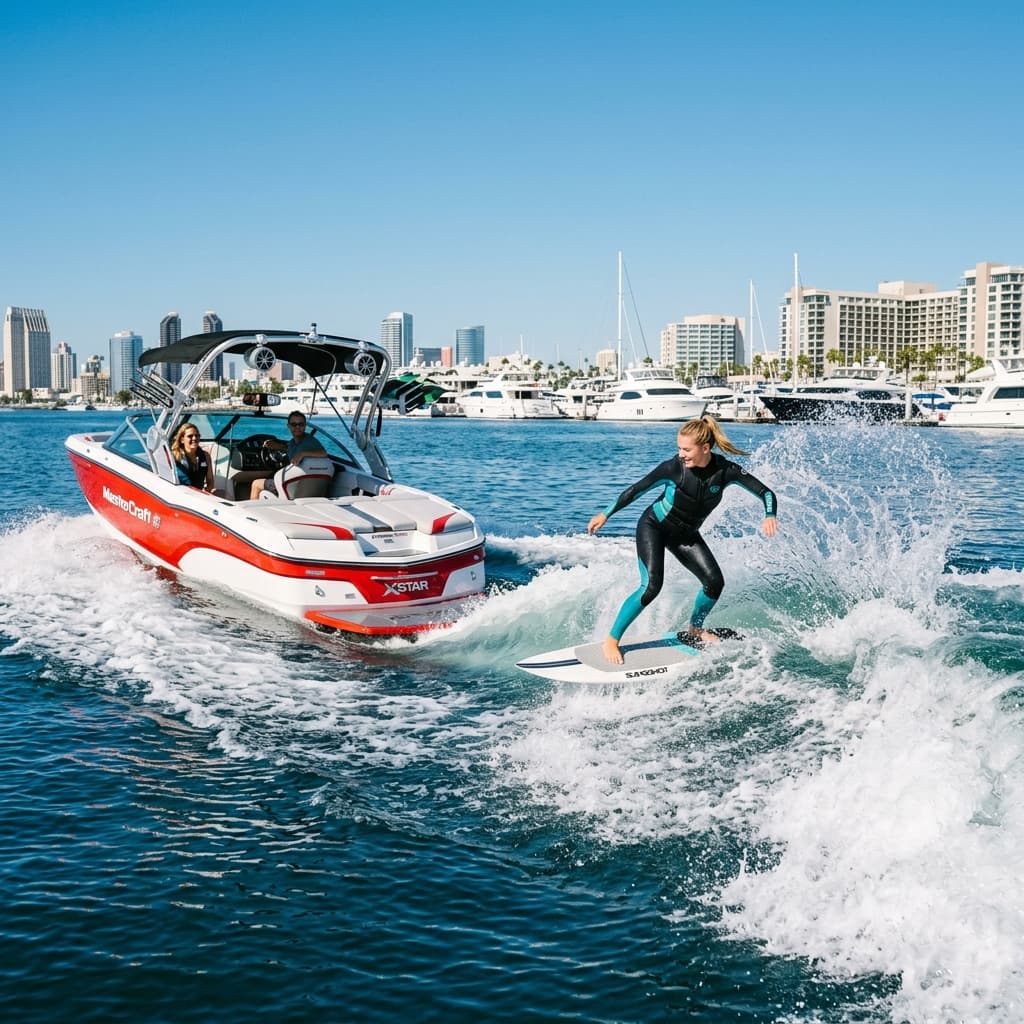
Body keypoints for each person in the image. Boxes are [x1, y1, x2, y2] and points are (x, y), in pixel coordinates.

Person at [587, 415, 777, 664]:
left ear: (705, 448)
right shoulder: (673, 468)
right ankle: (611, 640)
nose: (681, 454)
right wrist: (605, 514)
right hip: (654, 527)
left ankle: (695, 629)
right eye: (679, 448)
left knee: (714, 582)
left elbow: (766, 492)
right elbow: (635, 490)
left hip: (685, 535)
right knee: (651, 586)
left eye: (686, 449)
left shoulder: (726, 471)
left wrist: (769, 515)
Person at [251, 412, 328, 499]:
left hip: (292, 485)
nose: (297, 427)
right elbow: (288, 448)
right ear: (289, 426)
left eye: (301, 424)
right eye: (294, 424)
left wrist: (302, 454)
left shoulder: (310, 441)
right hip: (302, 486)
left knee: (256, 484)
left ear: (305, 426)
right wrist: (277, 446)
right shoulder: (293, 442)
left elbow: (323, 453)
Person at [171, 423, 215, 493]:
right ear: (182, 440)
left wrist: (209, 491)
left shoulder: (206, 456)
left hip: (198, 495)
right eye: (190, 436)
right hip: (180, 494)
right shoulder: (174, 456)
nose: (194, 438)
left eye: (197, 436)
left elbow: (210, 480)